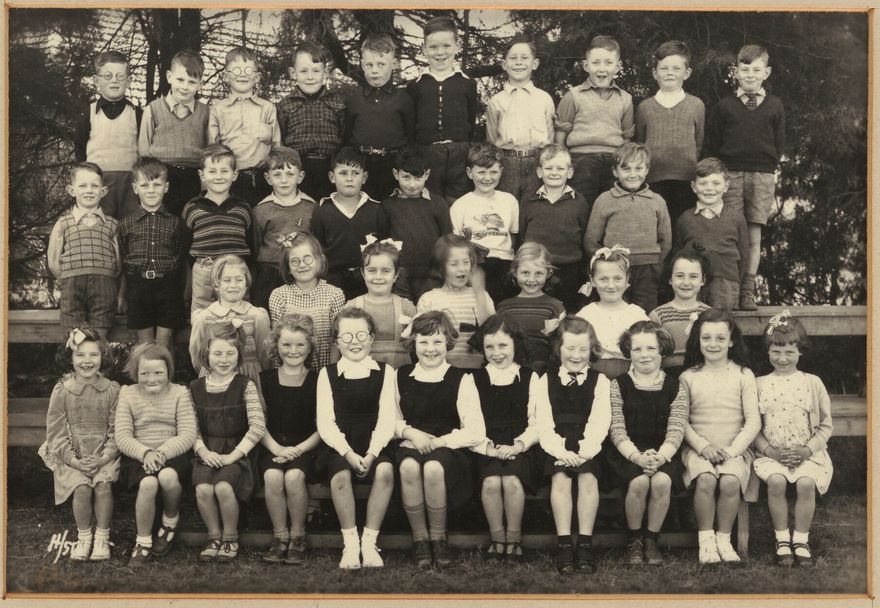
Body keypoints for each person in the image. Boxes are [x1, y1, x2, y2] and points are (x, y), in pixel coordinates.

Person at [392, 311, 487, 568]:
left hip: (448, 446)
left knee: (434, 467)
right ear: (414, 344)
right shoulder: (400, 376)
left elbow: (476, 430)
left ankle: (438, 537)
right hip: (410, 442)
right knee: (409, 466)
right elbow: (390, 419)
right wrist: (410, 433)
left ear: (448, 342)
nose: (430, 349)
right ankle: (420, 538)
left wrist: (437, 442)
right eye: (423, 342)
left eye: (436, 342)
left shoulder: (461, 378)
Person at [705, 44, 785, 311]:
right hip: (731, 174)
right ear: (735, 72)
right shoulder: (724, 106)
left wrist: (768, 166)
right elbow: (714, 142)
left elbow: (780, 142)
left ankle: (748, 291)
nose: (750, 74)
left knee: (753, 235)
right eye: (745, 69)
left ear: (767, 72)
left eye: (756, 69)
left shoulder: (775, 105)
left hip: (761, 175)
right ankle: (729, 289)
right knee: (730, 231)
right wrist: (724, 172)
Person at [316, 308, 398, 569]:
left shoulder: (386, 372)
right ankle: (350, 543)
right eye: (347, 335)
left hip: (375, 440)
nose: (355, 341)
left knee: (385, 471)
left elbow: (387, 419)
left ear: (372, 337)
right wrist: (348, 454)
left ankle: (369, 542)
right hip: (340, 445)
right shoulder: (327, 374)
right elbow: (325, 423)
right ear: (337, 340)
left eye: (361, 334)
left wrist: (372, 453)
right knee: (340, 477)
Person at [679, 308, 760, 564]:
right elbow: (680, 420)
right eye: (706, 338)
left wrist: (732, 450)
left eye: (720, 338)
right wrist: (702, 447)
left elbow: (753, 420)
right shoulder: (688, 377)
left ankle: (724, 538)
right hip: (698, 449)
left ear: (731, 340)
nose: (713, 344)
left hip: (733, 449)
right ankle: (706, 541)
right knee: (705, 479)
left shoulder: (743, 375)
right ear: (697, 340)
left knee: (729, 482)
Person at [753, 311, 833, 567]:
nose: (782, 358)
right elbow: (753, 427)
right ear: (767, 351)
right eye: (776, 351)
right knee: (776, 482)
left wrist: (807, 451)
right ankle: (782, 540)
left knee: (806, 483)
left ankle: (800, 539)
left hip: (807, 452)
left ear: (801, 351)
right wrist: (770, 451)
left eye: (789, 351)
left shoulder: (812, 383)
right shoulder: (758, 384)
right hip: (772, 453)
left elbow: (825, 425)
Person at [605, 321, 688, 566]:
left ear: (662, 350)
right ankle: (634, 540)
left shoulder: (675, 386)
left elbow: (676, 428)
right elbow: (617, 429)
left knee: (661, 481)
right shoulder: (617, 385)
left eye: (651, 349)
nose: (644, 355)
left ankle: (651, 539)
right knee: (640, 481)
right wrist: (637, 457)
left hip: (664, 450)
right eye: (637, 349)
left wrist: (661, 457)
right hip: (626, 452)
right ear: (628, 352)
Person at [38, 327, 120, 561]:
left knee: (103, 486)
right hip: (72, 454)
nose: (87, 361)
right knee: (82, 488)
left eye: (93, 355)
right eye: (80, 355)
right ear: (70, 359)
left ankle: (102, 538)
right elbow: (55, 433)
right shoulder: (62, 391)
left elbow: (118, 429)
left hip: (105, 451)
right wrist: (74, 460)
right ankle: (84, 537)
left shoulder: (112, 390)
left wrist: (104, 457)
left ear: (102, 357)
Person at [536, 316, 610, 574]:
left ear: (592, 350)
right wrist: (561, 452)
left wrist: (584, 452)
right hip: (555, 444)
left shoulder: (600, 381)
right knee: (561, 479)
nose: (576, 355)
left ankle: (586, 545)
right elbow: (543, 422)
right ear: (559, 349)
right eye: (570, 348)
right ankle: (565, 544)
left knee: (588, 478)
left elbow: (600, 421)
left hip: (589, 443)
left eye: (582, 349)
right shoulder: (545, 380)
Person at [470, 313, 543, 563]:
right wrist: (487, 447)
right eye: (489, 346)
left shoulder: (530, 377)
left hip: (521, 444)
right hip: (486, 444)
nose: (496, 352)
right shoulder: (474, 379)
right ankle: (497, 537)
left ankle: (514, 538)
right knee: (491, 483)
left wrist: (518, 445)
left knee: (511, 481)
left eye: (503, 345)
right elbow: (471, 422)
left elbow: (537, 422)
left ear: (515, 345)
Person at [190, 321, 266, 562]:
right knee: (203, 488)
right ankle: (214, 535)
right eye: (218, 353)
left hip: (237, 451)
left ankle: (231, 537)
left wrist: (234, 455)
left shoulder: (245, 385)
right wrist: (202, 451)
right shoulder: (194, 387)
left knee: (223, 487)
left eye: (230, 353)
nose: (224, 359)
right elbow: (191, 428)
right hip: (207, 450)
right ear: (206, 354)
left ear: (239, 355)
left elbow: (257, 426)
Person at [115, 342, 197, 564]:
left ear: (168, 371)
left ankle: (170, 519)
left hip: (172, 454)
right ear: (135, 373)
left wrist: (161, 452)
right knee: (148, 484)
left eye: (159, 372)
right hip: (139, 456)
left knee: (167, 476)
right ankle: (142, 541)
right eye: (144, 373)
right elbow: (122, 436)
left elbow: (188, 434)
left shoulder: (180, 392)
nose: (152, 379)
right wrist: (145, 453)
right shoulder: (128, 394)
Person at [259, 314, 322, 566]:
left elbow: (323, 427)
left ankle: (298, 536)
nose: (293, 351)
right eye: (286, 345)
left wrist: (297, 450)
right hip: (272, 444)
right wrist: (275, 447)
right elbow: (258, 423)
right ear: (276, 346)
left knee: (294, 477)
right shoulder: (265, 379)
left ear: (310, 347)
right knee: (273, 476)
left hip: (306, 447)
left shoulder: (319, 380)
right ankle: (280, 536)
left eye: (300, 345)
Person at [585, 142, 672, 312]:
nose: (633, 174)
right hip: (613, 271)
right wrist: (606, 265)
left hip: (647, 271)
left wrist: (656, 265)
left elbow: (666, 240)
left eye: (638, 168)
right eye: (626, 169)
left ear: (647, 170)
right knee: (614, 311)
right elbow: (591, 241)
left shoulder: (657, 201)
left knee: (643, 315)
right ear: (615, 171)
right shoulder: (604, 200)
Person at [117, 157, 189, 352]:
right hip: (138, 288)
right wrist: (122, 295)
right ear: (135, 188)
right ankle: (145, 381)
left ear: (166, 187)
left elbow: (181, 260)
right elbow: (123, 262)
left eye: (157, 184)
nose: (151, 190)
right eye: (144, 184)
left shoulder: (176, 223)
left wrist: (184, 295)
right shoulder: (125, 224)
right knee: (145, 346)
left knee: (165, 344)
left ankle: (167, 381)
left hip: (169, 288)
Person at [554, 35, 634, 207]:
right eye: (596, 63)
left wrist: (622, 163)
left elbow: (627, 138)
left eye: (608, 63)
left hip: (614, 161)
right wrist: (563, 163)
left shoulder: (625, 99)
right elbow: (561, 135)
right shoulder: (573, 96)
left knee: (611, 207)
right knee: (581, 206)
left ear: (618, 66)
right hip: (582, 161)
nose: (602, 69)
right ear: (586, 65)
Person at [407, 15, 479, 203]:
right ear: (424, 49)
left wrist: (464, 150)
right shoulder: (416, 86)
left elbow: (470, 121)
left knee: (459, 203)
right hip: (427, 155)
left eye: (446, 46)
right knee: (429, 203)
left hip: (459, 155)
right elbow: (411, 126)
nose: (440, 52)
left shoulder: (467, 84)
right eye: (433, 47)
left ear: (457, 46)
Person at [47, 162, 122, 341]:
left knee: (100, 335)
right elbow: (54, 259)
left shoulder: (112, 224)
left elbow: (118, 261)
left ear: (103, 191)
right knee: (73, 335)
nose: (89, 190)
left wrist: (108, 274)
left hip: (104, 286)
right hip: (72, 286)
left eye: (94, 186)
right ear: (72, 190)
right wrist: (69, 274)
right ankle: (76, 367)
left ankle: (98, 366)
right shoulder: (63, 223)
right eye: (83, 185)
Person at [635, 40, 704, 228]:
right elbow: (640, 143)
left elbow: (699, 142)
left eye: (676, 68)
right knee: (657, 227)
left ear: (687, 73)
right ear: (655, 73)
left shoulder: (696, 105)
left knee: (682, 227)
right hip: (653, 179)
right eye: (664, 68)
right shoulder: (645, 107)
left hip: (686, 179)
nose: (670, 73)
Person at [181, 144, 254, 319]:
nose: (218, 177)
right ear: (202, 175)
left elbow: (251, 245)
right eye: (212, 171)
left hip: (235, 273)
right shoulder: (192, 208)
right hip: (204, 270)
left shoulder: (243, 208)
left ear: (235, 174)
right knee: (202, 317)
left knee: (238, 318)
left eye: (224, 171)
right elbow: (185, 247)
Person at [310, 146, 390, 301]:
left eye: (355, 173)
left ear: (364, 177)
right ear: (332, 177)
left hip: (368, 280)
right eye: (343, 173)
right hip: (332, 281)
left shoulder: (376, 210)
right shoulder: (322, 211)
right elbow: (317, 249)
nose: (349, 178)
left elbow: (384, 247)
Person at [518, 144, 591, 312]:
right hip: (536, 268)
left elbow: (584, 234)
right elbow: (523, 233)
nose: (554, 172)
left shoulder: (579, 202)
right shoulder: (529, 200)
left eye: (560, 168)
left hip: (569, 268)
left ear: (570, 172)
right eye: (548, 168)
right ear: (539, 172)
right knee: (538, 310)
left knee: (566, 311)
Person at [344, 34, 415, 201]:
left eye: (381, 64)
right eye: (369, 64)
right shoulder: (353, 99)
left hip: (393, 168)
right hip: (362, 168)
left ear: (394, 64)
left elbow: (411, 139)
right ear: (362, 65)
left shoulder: (404, 99)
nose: (374, 70)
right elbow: (347, 138)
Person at [138, 49, 208, 216]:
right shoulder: (153, 109)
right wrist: (151, 179)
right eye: (180, 79)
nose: (185, 86)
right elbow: (144, 149)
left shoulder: (206, 112)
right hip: (161, 176)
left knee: (189, 221)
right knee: (163, 222)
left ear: (200, 84)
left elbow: (209, 150)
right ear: (169, 77)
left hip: (192, 177)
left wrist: (205, 185)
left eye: (192, 82)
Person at [674, 157, 749, 311]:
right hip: (693, 282)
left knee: (720, 323)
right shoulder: (685, 219)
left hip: (725, 284)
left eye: (716, 183)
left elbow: (744, 257)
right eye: (703, 183)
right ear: (694, 187)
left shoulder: (736, 219)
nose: (709, 189)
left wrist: (734, 283)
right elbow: (678, 252)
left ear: (726, 186)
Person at [486, 36, 555, 201]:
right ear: (504, 64)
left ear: (535, 64)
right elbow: (491, 140)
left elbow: (550, 137)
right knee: (506, 206)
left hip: (537, 162)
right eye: (513, 58)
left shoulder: (544, 98)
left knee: (535, 208)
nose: (518, 63)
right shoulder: (496, 101)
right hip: (507, 162)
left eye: (524, 58)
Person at [209, 46, 281, 205]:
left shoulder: (268, 108)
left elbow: (277, 148)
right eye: (236, 70)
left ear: (257, 77)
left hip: (262, 179)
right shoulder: (217, 110)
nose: (242, 74)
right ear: (225, 76)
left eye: (248, 70)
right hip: (229, 181)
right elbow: (212, 149)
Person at [74, 50, 141, 219]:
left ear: (128, 80)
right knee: (100, 224)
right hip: (99, 183)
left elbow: (144, 147)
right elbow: (80, 148)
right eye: (108, 76)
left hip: (129, 183)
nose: (114, 81)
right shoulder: (87, 113)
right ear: (97, 80)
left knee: (129, 224)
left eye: (120, 76)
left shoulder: (138, 113)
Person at [450, 142, 520, 304]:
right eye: (481, 172)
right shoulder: (460, 205)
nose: (487, 178)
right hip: (475, 266)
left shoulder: (509, 201)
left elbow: (513, 236)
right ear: (469, 172)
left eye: (493, 172)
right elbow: (456, 244)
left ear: (501, 171)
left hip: (504, 264)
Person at [189, 255, 271, 392]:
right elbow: (196, 354)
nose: (233, 285)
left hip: (249, 378)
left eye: (239, 280)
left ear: (246, 283)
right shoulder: (204, 317)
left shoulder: (257, 316)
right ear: (216, 284)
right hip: (213, 378)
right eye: (227, 280)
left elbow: (265, 355)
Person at [381, 146, 453, 302]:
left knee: (429, 315)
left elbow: (447, 240)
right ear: (396, 174)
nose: (412, 184)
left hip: (431, 275)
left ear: (427, 174)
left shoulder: (438, 203)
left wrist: (441, 271)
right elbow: (383, 242)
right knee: (403, 315)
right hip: (399, 275)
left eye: (418, 177)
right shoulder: (387, 206)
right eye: (406, 177)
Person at [277, 42, 345, 202]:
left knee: (328, 210)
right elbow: (281, 138)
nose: (310, 76)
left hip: (330, 169)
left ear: (325, 73)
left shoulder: (338, 101)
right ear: (293, 73)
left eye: (316, 71)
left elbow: (344, 134)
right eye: (303, 71)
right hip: (299, 170)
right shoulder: (286, 104)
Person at [252, 146, 318, 309]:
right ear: (268, 178)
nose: (284, 180)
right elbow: (255, 244)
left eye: (290, 174)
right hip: (270, 271)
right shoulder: (261, 210)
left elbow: (316, 242)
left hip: (303, 270)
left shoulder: (312, 207)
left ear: (300, 176)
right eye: (277, 174)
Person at [268, 232, 346, 369]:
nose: (302, 265)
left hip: (324, 369)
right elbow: (277, 341)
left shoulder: (334, 294)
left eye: (307, 259)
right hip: (290, 371)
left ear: (320, 259)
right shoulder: (279, 296)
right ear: (288, 267)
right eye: (295, 261)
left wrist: (330, 373)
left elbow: (336, 340)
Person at [416, 234, 495, 369]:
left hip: (477, 370)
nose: (462, 268)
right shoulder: (429, 299)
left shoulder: (482, 296)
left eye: (466, 262)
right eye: (454, 263)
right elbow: (422, 339)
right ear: (441, 267)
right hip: (442, 372)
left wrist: (479, 293)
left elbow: (492, 332)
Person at [575, 246, 649, 378]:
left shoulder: (637, 315)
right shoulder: (585, 314)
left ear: (627, 279)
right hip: (593, 375)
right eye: (603, 279)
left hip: (630, 375)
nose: (611, 285)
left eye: (617, 278)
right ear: (593, 280)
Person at [344, 237, 417, 369]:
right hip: (362, 374)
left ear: (396, 275)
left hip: (398, 374)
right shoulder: (351, 307)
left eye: (385, 271)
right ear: (363, 273)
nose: (378, 277)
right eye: (372, 270)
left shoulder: (407, 308)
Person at [496, 242, 565, 375]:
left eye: (538, 273)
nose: (531, 279)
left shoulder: (555, 306)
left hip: (544, 373)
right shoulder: (504, 307)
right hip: (511, 372)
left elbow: (560, 345)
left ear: (549, 273)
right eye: (525, 273)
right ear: (515, 272)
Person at [649, 249, 711, 378]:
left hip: (703, 374)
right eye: (679, 276)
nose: (686, 282)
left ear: (703, 280)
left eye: (693, 276)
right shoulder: (658, 315)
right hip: (668, 376)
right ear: (670, 279)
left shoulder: (709, 314)